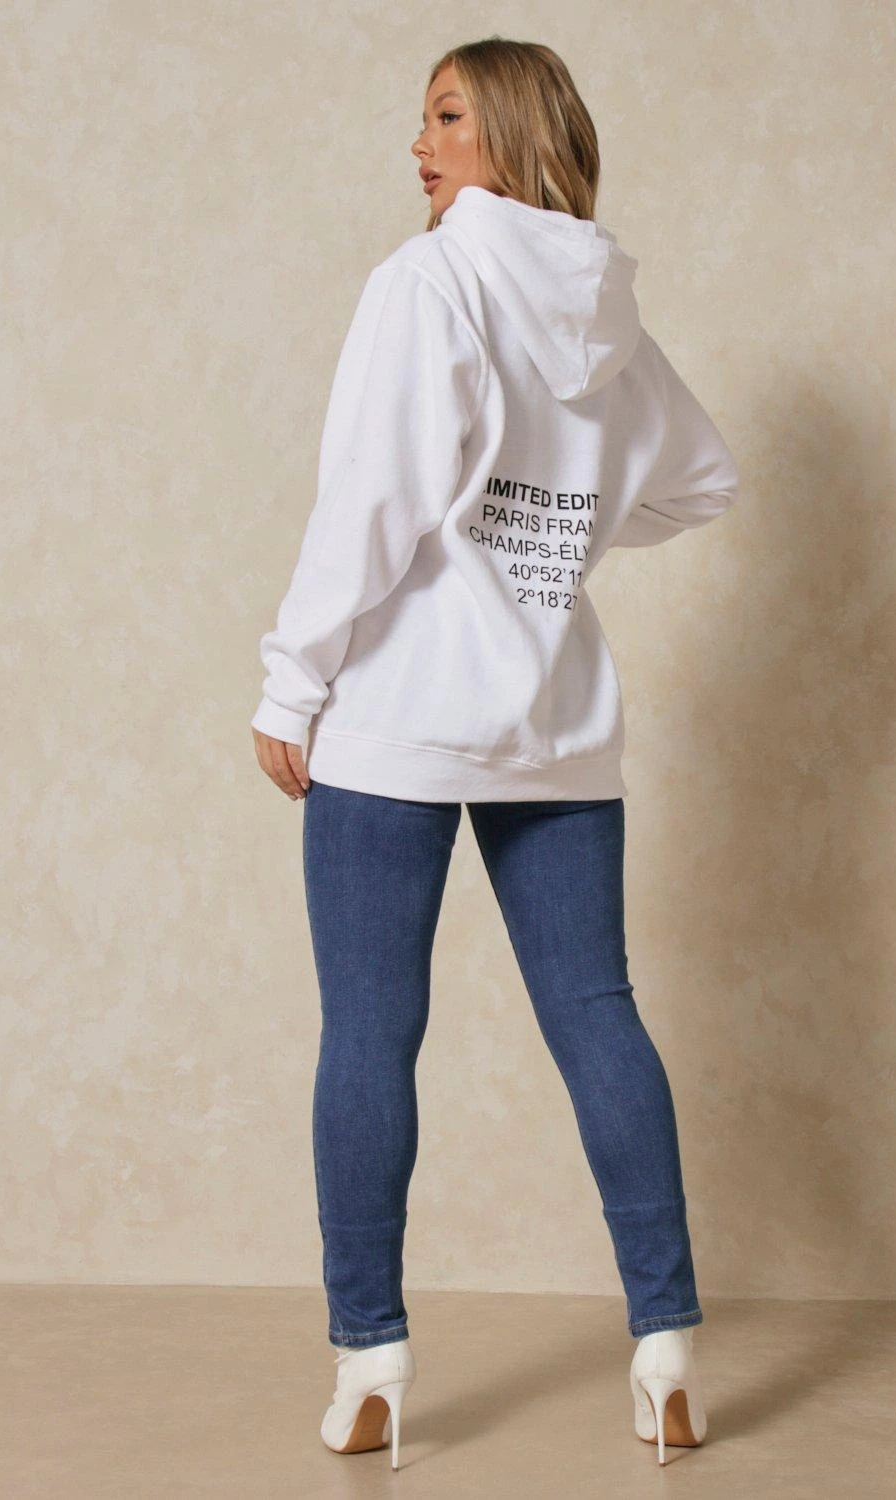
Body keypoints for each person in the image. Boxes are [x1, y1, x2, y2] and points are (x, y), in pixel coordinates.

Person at [251, 37, 738, 1471]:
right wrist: (559, 531)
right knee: (600, 1016)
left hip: (399, 718)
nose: (420, 140)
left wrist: (292, 681)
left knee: (369, 1032)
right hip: (558, 723)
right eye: (422, 116)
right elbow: (700, 478)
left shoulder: (431, 282)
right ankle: (666, 1350)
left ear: (513, 131)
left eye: (448, 113)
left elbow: (370, 503)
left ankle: (370, 1363)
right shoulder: (602, 306)